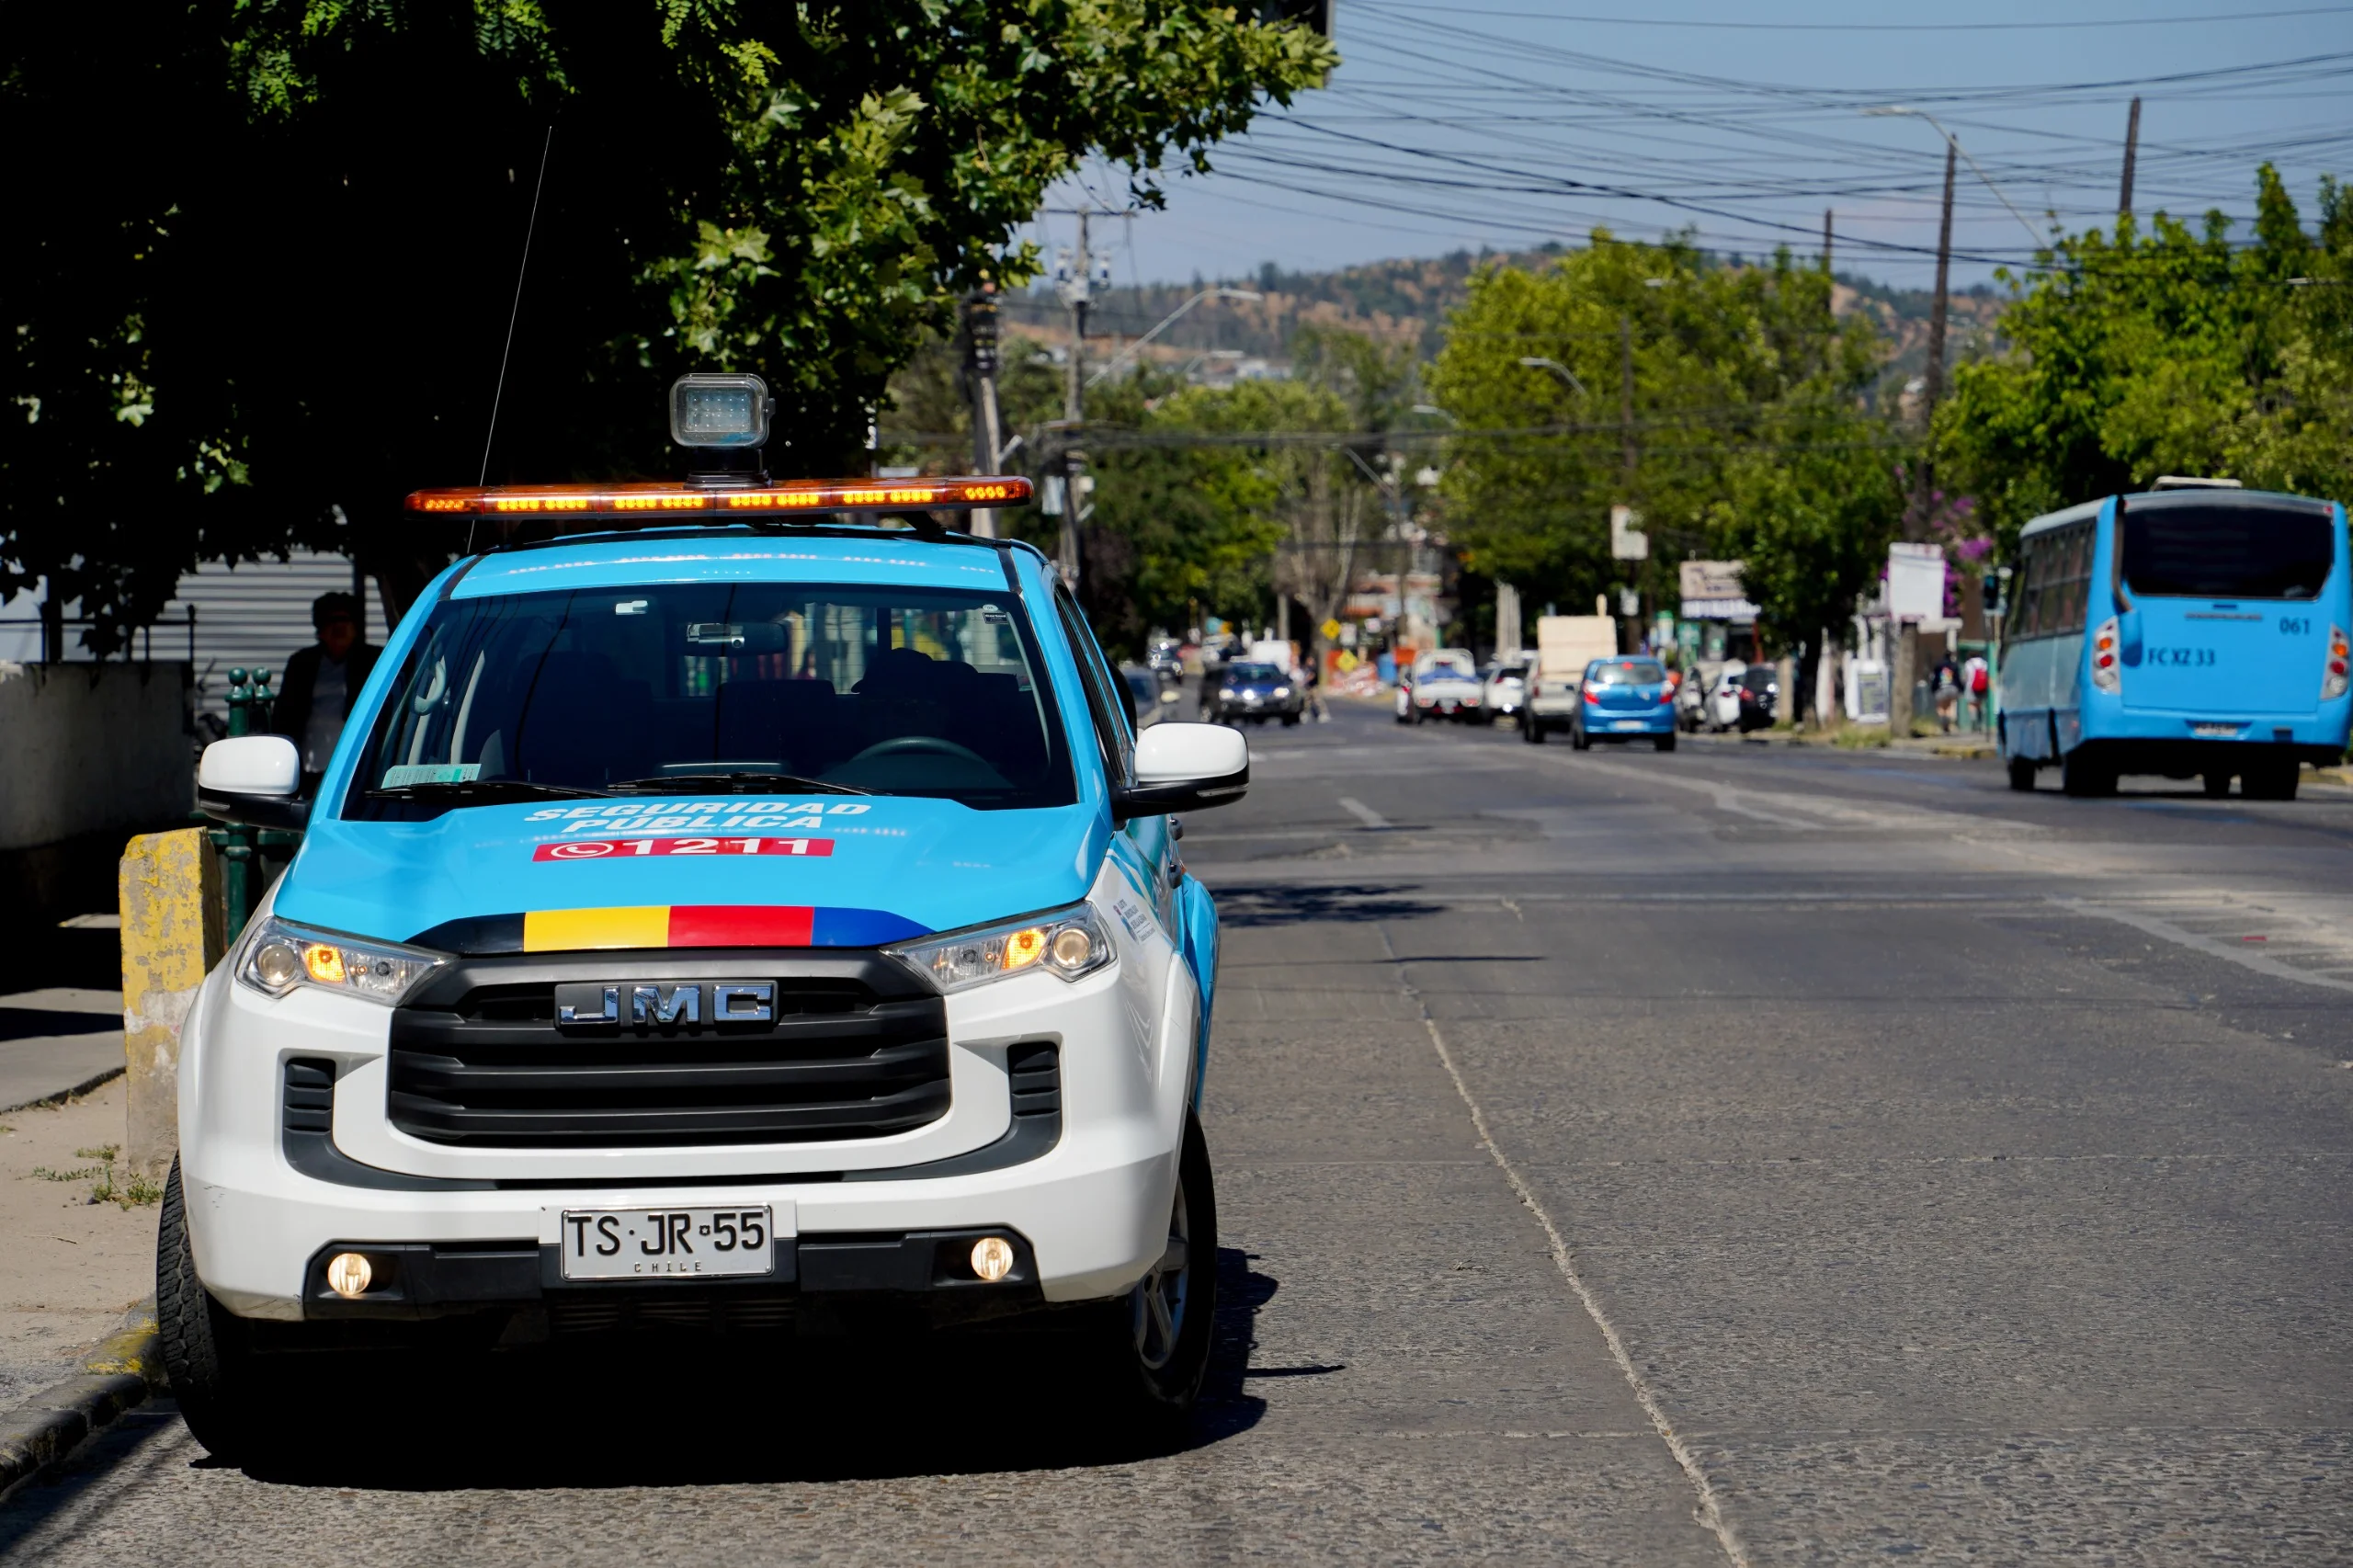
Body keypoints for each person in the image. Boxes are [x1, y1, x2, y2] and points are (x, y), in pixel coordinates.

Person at [272, 591, 381, 790]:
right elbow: (285, 713)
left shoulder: (372, 660)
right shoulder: (302, 663)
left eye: (345, 620)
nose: (339, 626)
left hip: (356, 763)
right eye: (332, 621)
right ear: (320, 629)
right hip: (309, 763)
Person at [1931, 653, 1960, 733]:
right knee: (1949, 708)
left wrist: (1933, 689)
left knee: (1940, 708)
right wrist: (1960, 688)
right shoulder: (1954, 666)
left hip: (1941, 689)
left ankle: (1943, 726)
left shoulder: (1938, 666)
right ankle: (1947, 726)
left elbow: (1935, 679)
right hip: (1952, 689)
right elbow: (1957, 678)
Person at [1962, 653, 1991, 732]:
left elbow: (1966, 676)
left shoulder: (1968, 663)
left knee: (1971, 705)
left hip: (1971, 686)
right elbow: (1987, 675)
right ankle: (1980, 723)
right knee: (1980, 705)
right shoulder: (1984, 663)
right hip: (1982, 687)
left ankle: (1973, 722)